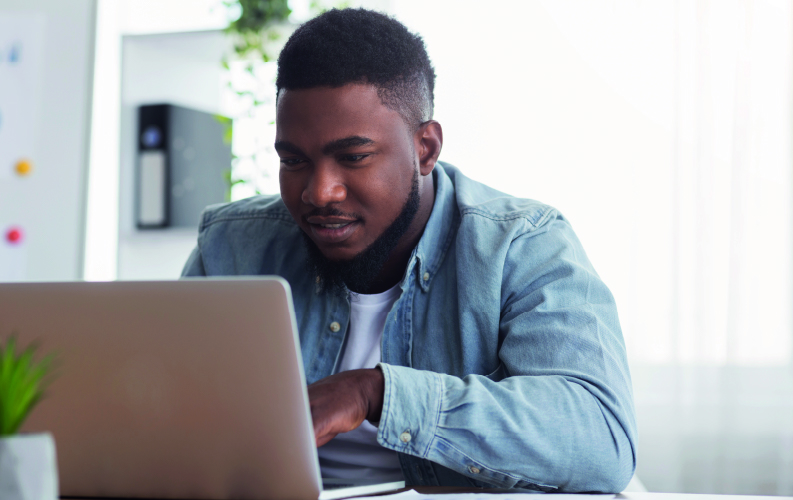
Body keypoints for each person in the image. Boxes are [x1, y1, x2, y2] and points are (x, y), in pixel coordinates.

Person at [182, 7, 637, 493]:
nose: (320, 192)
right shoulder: (232, 245)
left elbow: (600, 438)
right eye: (293, 160)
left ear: (425, 148)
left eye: (353, 157)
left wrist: (375, 392)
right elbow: (163, 409)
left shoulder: (521, 243)